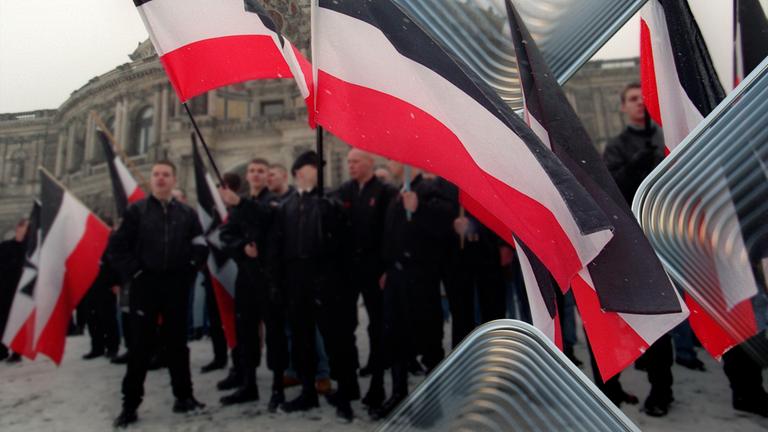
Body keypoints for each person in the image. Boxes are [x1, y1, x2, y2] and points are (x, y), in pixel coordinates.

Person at [110, 160, 208, 428]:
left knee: (177, 344)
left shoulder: (187, 214)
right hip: (146, 286)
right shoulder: (136, 212)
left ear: (174, 180)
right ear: (150, 181)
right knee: (140, 347)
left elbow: (200, 245)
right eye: (156, 175)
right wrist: (137, 273)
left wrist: (189, 269)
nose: (161, 178)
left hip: (176, 286)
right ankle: (130, 405)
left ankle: (184, 396)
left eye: (166, 174)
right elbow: (117, 248)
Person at [602, 82, 674, 417]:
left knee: (667, 320)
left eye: (642, 99)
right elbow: (613, 189)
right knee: (645, 319)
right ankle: (633, 387)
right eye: (632, 100)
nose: (639, 104)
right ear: (623, 108)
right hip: (637, 244)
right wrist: (637, 164)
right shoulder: (616, 147)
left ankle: (663, 389)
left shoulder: (667, 138)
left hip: (669, 238)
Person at [269, 151, 358, 422]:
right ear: (298, 172)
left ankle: (344, 392)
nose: (317, 171)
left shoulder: (329, 201)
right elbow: (277, 247)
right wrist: (277, 283)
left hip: (325, 278)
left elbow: (342, 240)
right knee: (302, 339)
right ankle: (308, 391)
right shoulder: (285, 206)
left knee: (335, 339)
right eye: (312, 168)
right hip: (296, 279)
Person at [371, 162, 455, 420]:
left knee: (428, 338)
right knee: (395, 336)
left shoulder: (428, 189)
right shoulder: (399, 192)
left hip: (420, 276)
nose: (389, 162)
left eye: (395, 159)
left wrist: (419, 209)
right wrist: (386, 266)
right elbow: (390, 234)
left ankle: (432, 402)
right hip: (396, 276)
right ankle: (398, 394)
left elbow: (444, 224)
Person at [218, 159, 289, 411]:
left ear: (268, 177)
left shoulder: (274, 200)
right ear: (246, 176)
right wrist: (241, 247)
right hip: (246, 277)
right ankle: (249, 384)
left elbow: (268, 216)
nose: (256, 175)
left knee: (275, 333)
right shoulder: (239, 205)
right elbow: (225, 235)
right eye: (252, 171)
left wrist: (241, 203)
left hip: (270, 278)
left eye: (262, 171)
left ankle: (278, 387)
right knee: (246, 331)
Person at [333, 149, 397, 410]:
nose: (351, 166)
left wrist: (386, 268)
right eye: (348, 162)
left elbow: (390, 232)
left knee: (378, 326)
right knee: (344, 327)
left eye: (356, 161)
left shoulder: (384, 192)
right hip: (348, 270)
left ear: (370, 162)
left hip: (375, 269)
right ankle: (347, 385)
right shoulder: (344, 191)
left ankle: (378, 384)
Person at [80, 217, 120, 360]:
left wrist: (116, 282)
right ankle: (97, 347)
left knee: (107, 316)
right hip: (90, 282)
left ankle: (112, 347)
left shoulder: (112, 240)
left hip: (107, 283)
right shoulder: (88, 239)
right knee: (92, 317)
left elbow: (116, 262)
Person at [0, 218, 29, 362]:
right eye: (21, 228)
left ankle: (17, 352)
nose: (22, 231)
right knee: (2, 321)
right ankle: (2, 350)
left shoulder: (29, 250)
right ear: (17, 228)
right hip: (5, 289)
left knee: (17, 321)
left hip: (21, 291)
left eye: (26, 229)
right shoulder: (5, 246)